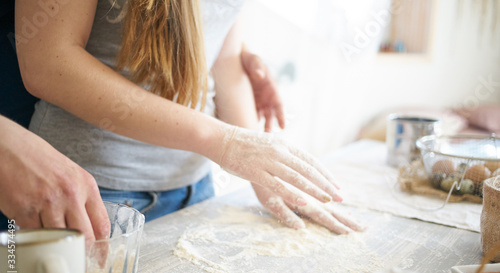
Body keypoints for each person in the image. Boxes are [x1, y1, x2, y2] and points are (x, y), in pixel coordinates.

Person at [15, 0, 362, 235]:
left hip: (195, 187)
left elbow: (224, 58)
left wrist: (262, 171)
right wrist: (224, 142)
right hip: (91, 192)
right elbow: (48, 62)